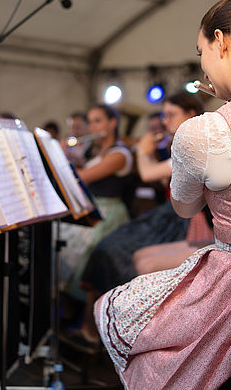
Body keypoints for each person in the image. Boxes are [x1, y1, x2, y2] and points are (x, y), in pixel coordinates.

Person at [95, 0, 231, 389]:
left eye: (201, 52)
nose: (203, 65)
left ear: (221, 41)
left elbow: (184, 207)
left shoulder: (205, 130)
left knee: (118, 309)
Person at [72, 92, 204, 346]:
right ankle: (99, 324)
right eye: (164, 115)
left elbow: (147, 174)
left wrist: (143, 152)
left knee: (118, 254)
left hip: (185, 220)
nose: (165, 121)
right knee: (110, 249)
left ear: (191, 115)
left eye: (171, 115)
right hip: (170, 214)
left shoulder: (195, 144)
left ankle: (119, 331)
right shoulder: (179, 144)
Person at [60, 105, 132, 311]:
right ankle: (67, 306)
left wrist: (58, 156)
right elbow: (87, 167)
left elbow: (83, 177)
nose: (92, 127)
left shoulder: (120, 154)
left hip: (108, 213)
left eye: (98, 121)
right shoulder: (96, 151)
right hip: (92, 207)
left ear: (113, 123)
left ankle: (82, 311)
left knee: (81, 251)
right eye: (90, 121)